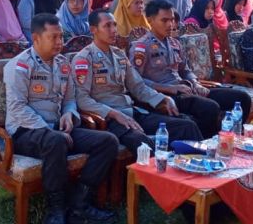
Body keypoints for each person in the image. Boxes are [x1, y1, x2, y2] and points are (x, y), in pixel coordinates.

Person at [5, 14, 118, 224]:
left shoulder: (63, 64)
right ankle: (55, 211)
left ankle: (80, 203)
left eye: (61, 37)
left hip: (57, 128)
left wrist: (69, 114)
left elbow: (70, 99)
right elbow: (17, 108)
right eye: (53, 37)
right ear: (36, 38)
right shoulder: (20, 65)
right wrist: (49, 130)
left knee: (107, 141)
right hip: (26, 131)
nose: (59, 42)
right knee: (55, 141)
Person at [74, 10, 202, 154]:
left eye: (114, 25)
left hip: (131, 112)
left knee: (186, 126)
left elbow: (138, 86)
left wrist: (163, 98)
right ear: (93, 30)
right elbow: (82, 99)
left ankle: (200, 165)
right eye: (107, 26)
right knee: (144, 144)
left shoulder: (118, 54)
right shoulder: (84, 59)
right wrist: (114, 113)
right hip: (109, 120)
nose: (114, 30)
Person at [133, 0, 252, 138]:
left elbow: (185, 70)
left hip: (187, 89)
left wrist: (196, 83)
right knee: (210, 107)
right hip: (166, 95)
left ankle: (231, 139)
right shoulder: (141, 47)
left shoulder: (174, 43)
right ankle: (207, 144)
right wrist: (168, 88)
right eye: (164, 20)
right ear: (150, 20)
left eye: (172, 20)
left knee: (242, 98)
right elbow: (136, 81)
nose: (170, 24)